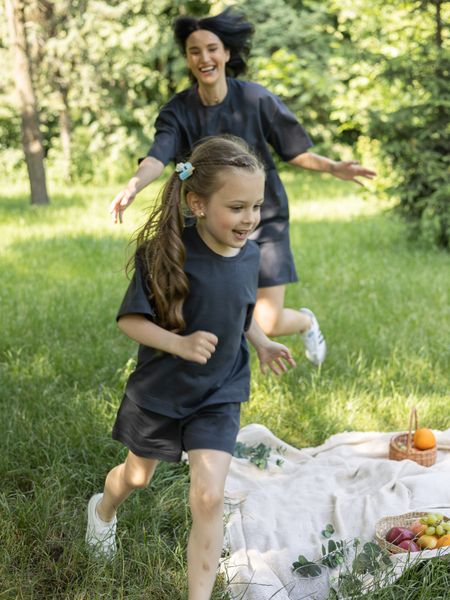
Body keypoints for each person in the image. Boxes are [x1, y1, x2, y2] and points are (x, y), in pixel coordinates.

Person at [86, 135, 295, 599]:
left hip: (220, 392)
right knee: (136, 477)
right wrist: (179, 345)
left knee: (208, 496)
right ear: (197, 203)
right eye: (237, 207)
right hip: (163, 391)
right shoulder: (167, 254)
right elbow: (131, 321)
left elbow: (240, 312)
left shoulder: (251, 254)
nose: (250, 219)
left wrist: (260, 342)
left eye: (256, 206)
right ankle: (102, 510)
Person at [109, 8, 376, 366]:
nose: (205, 57)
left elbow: (295, 151)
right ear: (188, 60)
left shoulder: (255, 99)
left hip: (265, 217)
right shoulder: (177, 112)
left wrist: (333, 168)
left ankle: (305, 321)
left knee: (266, 320)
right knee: (215, 309)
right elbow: (158, 156)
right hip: (210, 225)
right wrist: (135, 185)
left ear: (227, 54)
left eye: (212, 48)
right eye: (194, 51)